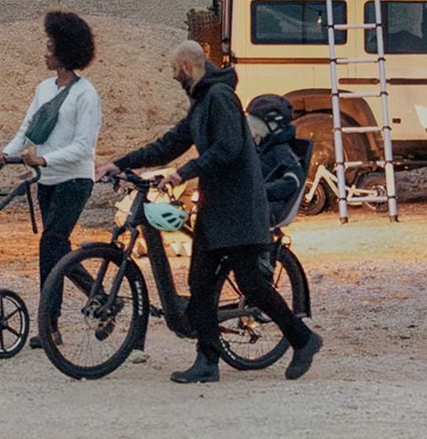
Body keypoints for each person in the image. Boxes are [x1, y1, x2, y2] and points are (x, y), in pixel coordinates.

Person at [96, 41, 321, 384]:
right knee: (200, 283)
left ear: (187, 67)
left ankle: (303, 339)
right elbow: (170, 143)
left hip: (241, 208)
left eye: (175, 71)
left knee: (252, 285)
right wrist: (122, 163)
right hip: (217, 207)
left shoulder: (220, 98)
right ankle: (207, 360)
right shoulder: (202, 102)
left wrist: (184, 173)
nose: (174, 78)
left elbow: (228, 149)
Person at [0, 11, 101, 297]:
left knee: (50, 244)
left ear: (65, 52)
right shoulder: (43, 88)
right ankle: (100, 296)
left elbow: (83, 146)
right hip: (46, 180)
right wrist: (6, 153)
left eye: (50, 47)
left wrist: (44, 159)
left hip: (74, 181)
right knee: (57, 248)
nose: (45, 53)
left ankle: (49, 316)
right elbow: (28, 128)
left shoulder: (86, 94)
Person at [245, 94, 307, 226]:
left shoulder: (280, 150)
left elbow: (293, 180)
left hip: (264, 210)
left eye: (255, 126)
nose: (251, 131)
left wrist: (259, 191)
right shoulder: (263, 146)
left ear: (272, 125)